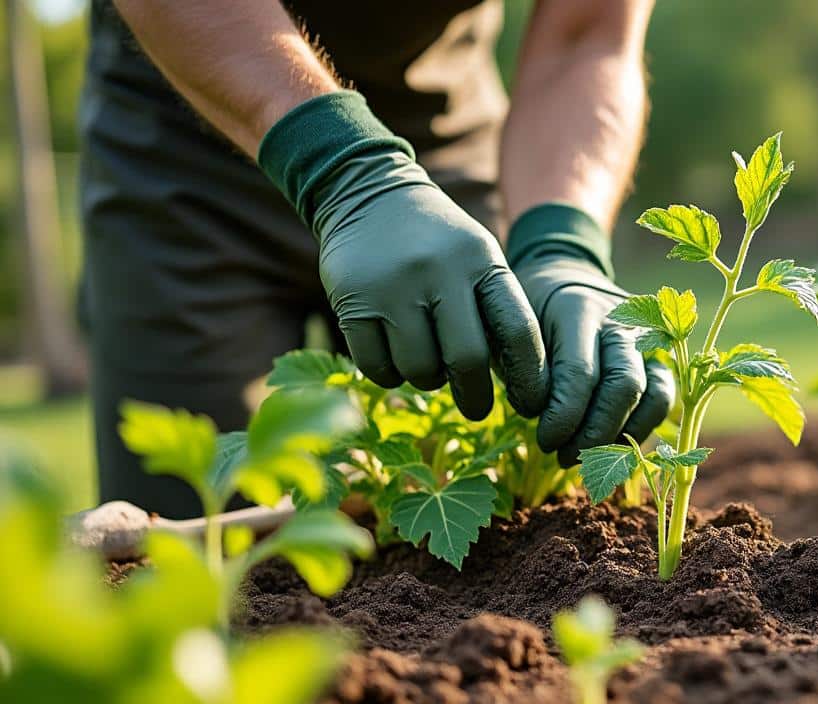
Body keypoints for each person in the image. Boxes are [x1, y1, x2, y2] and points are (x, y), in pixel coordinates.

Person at [78, 0, 675, 518]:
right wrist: (342, 168)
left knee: (488, 510)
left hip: (439, 149)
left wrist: (559, 240)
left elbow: (588, 33)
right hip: (186, 146)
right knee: (190, 530)